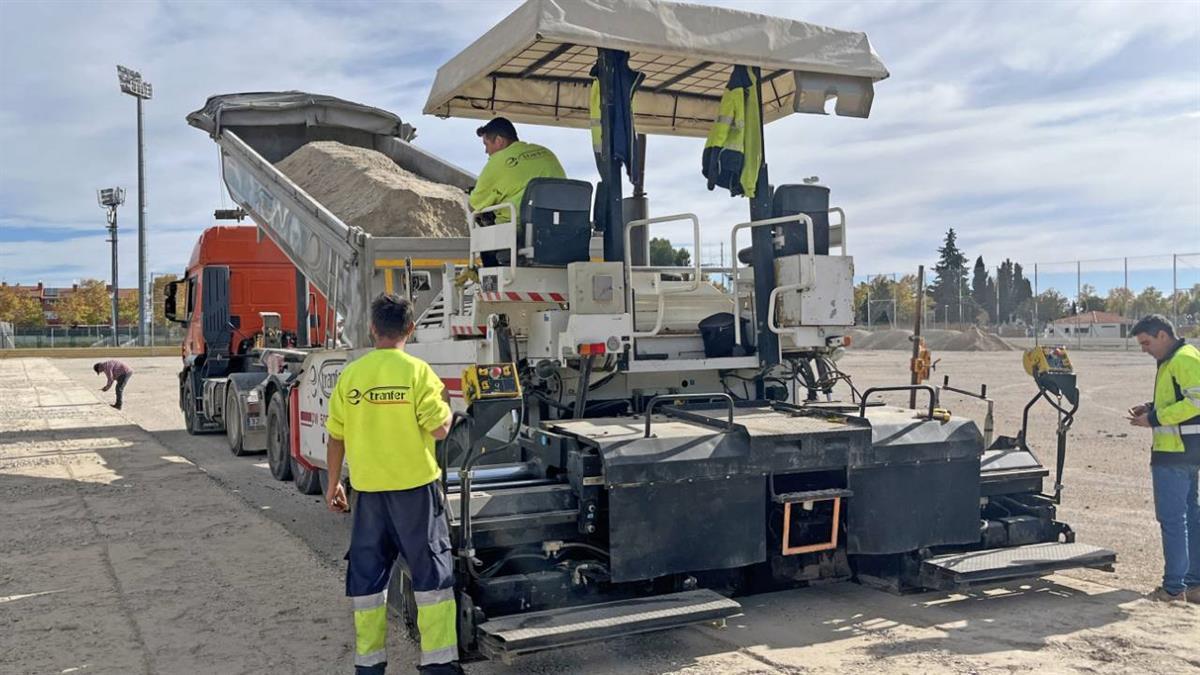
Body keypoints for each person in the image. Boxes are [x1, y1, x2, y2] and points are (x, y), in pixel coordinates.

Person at [325, 294, 460, 674]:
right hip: (416, 494)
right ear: (410, 329)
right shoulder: (418, 373)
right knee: (431, 579)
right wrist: (447, 407)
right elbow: (439, 427)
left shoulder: (352, 375)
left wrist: (333, 484)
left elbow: (335, 436)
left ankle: (369, 666)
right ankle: (438, 666)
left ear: (372, 328)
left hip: (368, 496)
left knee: (367, 582)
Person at [1126, 314, 1200, 603]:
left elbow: (1197, 400)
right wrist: (1150, 407)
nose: (1144, 349)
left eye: (1146, 343)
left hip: (1176, 452)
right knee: (1190, 517)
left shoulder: (1183, 358)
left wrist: (1154, 418)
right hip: (1186, 451)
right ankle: (1193, 585)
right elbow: (1182, 398)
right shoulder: (1176, 359)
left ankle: (1173, 588)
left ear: (1162, 336)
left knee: (1173, 519)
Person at [469, 116, 566, 244]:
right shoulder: (547, 153)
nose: (486, 151)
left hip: (519, 235)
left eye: (486, 144)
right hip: (559, 230)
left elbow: (474, 205)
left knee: (482, 219)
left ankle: (492, 260)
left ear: (499, 141)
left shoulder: (497, 163)